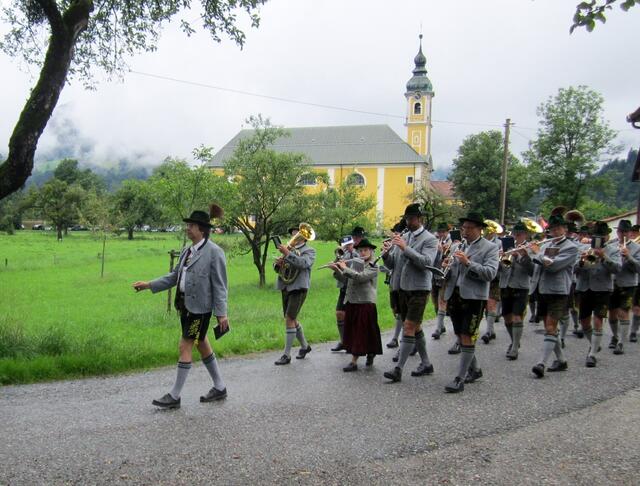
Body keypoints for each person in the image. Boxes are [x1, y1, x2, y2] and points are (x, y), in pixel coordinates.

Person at [133, 207, 229, 409]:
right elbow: (174, 277)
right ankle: (220, 387)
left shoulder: (214, 253)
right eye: (188, 225)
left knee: (185, 345)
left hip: (200, 311)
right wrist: (149, 285)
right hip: (185, 306)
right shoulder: (187, 251)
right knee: (201, 343)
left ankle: (174, 396)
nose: (187, 228)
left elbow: (220, 286)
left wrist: (221, 314)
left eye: (191, 225)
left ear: (201, 229)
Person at [441, 212, 499, 393]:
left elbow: (490, 274)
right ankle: (475, 369)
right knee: (460, 335)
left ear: (479, 229)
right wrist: (446, 267)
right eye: (463, 227)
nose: (465, 231)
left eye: (469, 228)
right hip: (455, 294)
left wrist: (468, 263)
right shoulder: (457, 246)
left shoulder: (490, 248)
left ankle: (459, 378)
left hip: (474, 297)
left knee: (467, 335)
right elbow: (453, 272)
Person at [383, 203, 438, 383]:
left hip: (419, 289)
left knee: (408, 326)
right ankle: (426, 363)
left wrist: (405, 248)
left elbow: (426, 262)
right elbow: (393, 265)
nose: (408, 222)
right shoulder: (404, 236)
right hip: (403, 288)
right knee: (416, 327)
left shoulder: (430, 239)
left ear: (420, 219)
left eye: (411, 218)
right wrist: (386, 255)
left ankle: (398, 369)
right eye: (406, 218)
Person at [529, 213, 579, 378]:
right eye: (553, 229)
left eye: (558, 228)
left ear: (565, 229)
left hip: (558, 291)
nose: (555, 231)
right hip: (543, 290)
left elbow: (553, 266)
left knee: (550, 327)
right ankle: (561, 360)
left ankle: (541, 363)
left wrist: (537, 254)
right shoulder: (546, 244)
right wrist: (525, 255)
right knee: (549, 327)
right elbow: (537, 268)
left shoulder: (571, 247)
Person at [330, 238, 382, 371]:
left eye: (365, 250)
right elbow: (346, 279)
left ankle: (354, 361)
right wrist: (337, 269)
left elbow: (360, 277)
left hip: (365, 303)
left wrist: (345, 268)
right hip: (352, 302)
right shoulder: (355, 264)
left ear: (371, 251)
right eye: (360, 250)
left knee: (365, 331)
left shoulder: (374, 266)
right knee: (355, 331)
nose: (362, 253)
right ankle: (368, 353)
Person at [575, 221, 621, 368]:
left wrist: (604, 257)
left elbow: (617, 269)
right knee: (584, 321)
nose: (599, 238)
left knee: (598, 320)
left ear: (607, 237)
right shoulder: (583, 248)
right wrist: (581, 262)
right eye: (596, 236)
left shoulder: (613, 250)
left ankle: (592, 354)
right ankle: (594, 344)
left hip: (602, 289)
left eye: (601, 236)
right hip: (585, 288)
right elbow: (574, 269)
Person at [273, 224, 316, 365]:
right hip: (286, 286)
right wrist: (278, 264)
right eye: (293, 233)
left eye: (297, 233)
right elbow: (278, 269)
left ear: (304, 237)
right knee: (291, 318)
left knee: (290, 318)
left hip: (298, 287)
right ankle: (305, 347)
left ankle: (286, 355)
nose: (294, 236)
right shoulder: (289, 249)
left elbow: (303, 264)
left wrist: (287, 253)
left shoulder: (309, 251)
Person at [498, 221, 533, 360]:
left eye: (519, 234)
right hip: (505, 285)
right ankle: (514, 341)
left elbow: (532, 270)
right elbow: (500, 269)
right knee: (507, 317)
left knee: (517, 317)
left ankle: (514, 348)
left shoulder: (531, 248)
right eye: (515, 234)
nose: (516, 236)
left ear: (525, 235)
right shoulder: (507, 247)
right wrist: (500, 257)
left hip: (521, 286)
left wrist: (520, 256)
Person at [608, 220, 640, 355]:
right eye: (621, 231)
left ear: (630, 233)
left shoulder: (637, 247)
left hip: (628, 284)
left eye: (626, 231)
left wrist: (629, 256)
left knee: (624, 312)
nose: (623, 234)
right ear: (617, 232)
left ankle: (621, 342)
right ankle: (615, 336)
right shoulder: (611, 245)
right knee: (612, 313)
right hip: (612, 283)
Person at [331, 235, 358, 352]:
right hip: (344, 287)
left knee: (353, 316)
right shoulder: (342, 254)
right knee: (339, 313)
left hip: (355, 288)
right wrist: (337, 259)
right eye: (345, 245)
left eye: (349, 244)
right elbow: (336, 266)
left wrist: (352, 252)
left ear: (353, 243)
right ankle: (343, 341)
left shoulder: (358, 253)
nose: (347, 247)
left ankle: (354, 341)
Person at [384, 221, 407, 349]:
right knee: (396, 311)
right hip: (394, 282)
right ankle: (403, 339)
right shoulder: (394, 245)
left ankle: (400, 339)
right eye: (395, 233)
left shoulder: (405, 244)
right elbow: (391, 264)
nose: (395, 235)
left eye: (397, 233)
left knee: (404, 315)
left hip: (405, 285)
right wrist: (386, 254)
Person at [480, 222, 503, 344]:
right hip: (482, 276)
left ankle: (488, 331)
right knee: (485, 306)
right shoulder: (481, 242)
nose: (487, 233)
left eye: (490, 231)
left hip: (495, 277)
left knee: (491, 304)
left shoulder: (499, 243)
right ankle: (491, 330)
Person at [431, 222, 451, 340]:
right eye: (439, 232)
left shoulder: (452, 242)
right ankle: (441, 325)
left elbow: (451, 258)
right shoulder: (434, 241)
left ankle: (438, 328)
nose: (441, 234)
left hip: (445, 275)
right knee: (435, 302)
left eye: (443, 232)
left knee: (442, 301)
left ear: (447, 232)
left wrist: (443, 252)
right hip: (434, 274)